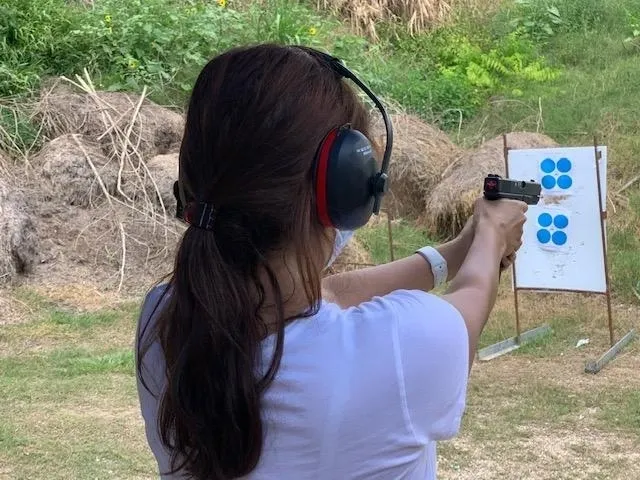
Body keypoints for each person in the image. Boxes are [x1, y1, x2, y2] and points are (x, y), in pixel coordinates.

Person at [135, 43, 527, 480]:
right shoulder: (403, 345)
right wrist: (491, 236)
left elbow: (328, 296)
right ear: (343, 189)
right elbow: (471, 301)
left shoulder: (165, 317)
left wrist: (455, 253)